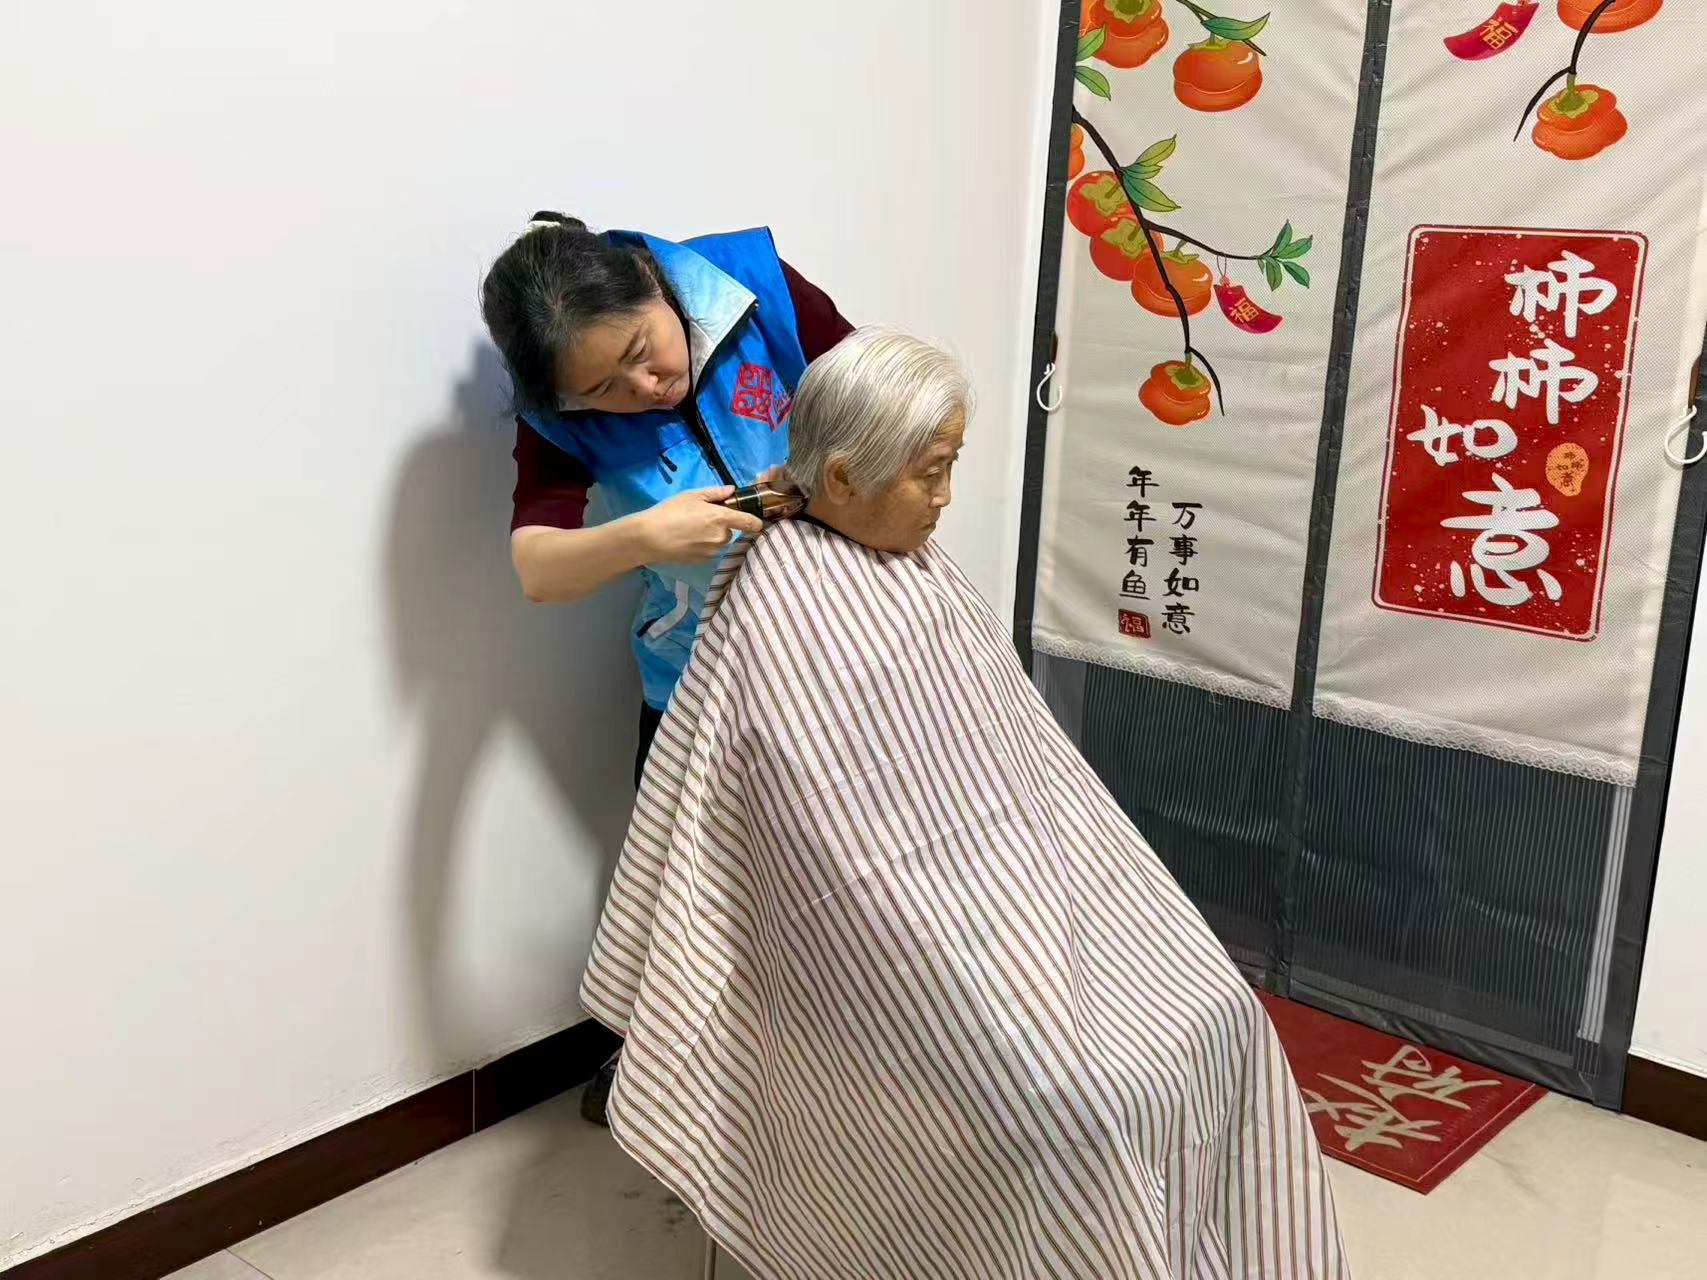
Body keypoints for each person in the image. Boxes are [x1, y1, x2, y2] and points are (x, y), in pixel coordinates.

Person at [580, 330, 1349, 1279]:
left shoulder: (917, 568)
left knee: (1223, 1011)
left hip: (1026, 898)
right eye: (930, 471)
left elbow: (1027, 778)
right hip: (903, 941)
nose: (946, 496)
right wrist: (972, 944)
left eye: (951, 465)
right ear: (845, 478)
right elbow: (834, 856)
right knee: (1079, 1109)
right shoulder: (782, 603)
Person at [479, 216, 852, 1123]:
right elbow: (538, 568)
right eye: (602, 391)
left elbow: (888, 401)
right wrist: (644, 535)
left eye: (641, 354)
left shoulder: (753, 287)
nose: (643, 390)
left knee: (843, 878)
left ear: (655, 284)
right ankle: (668, 1071)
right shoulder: (558, 418)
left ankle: (835, 1071)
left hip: (837, 653)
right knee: (687, 891)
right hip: (692, 682)